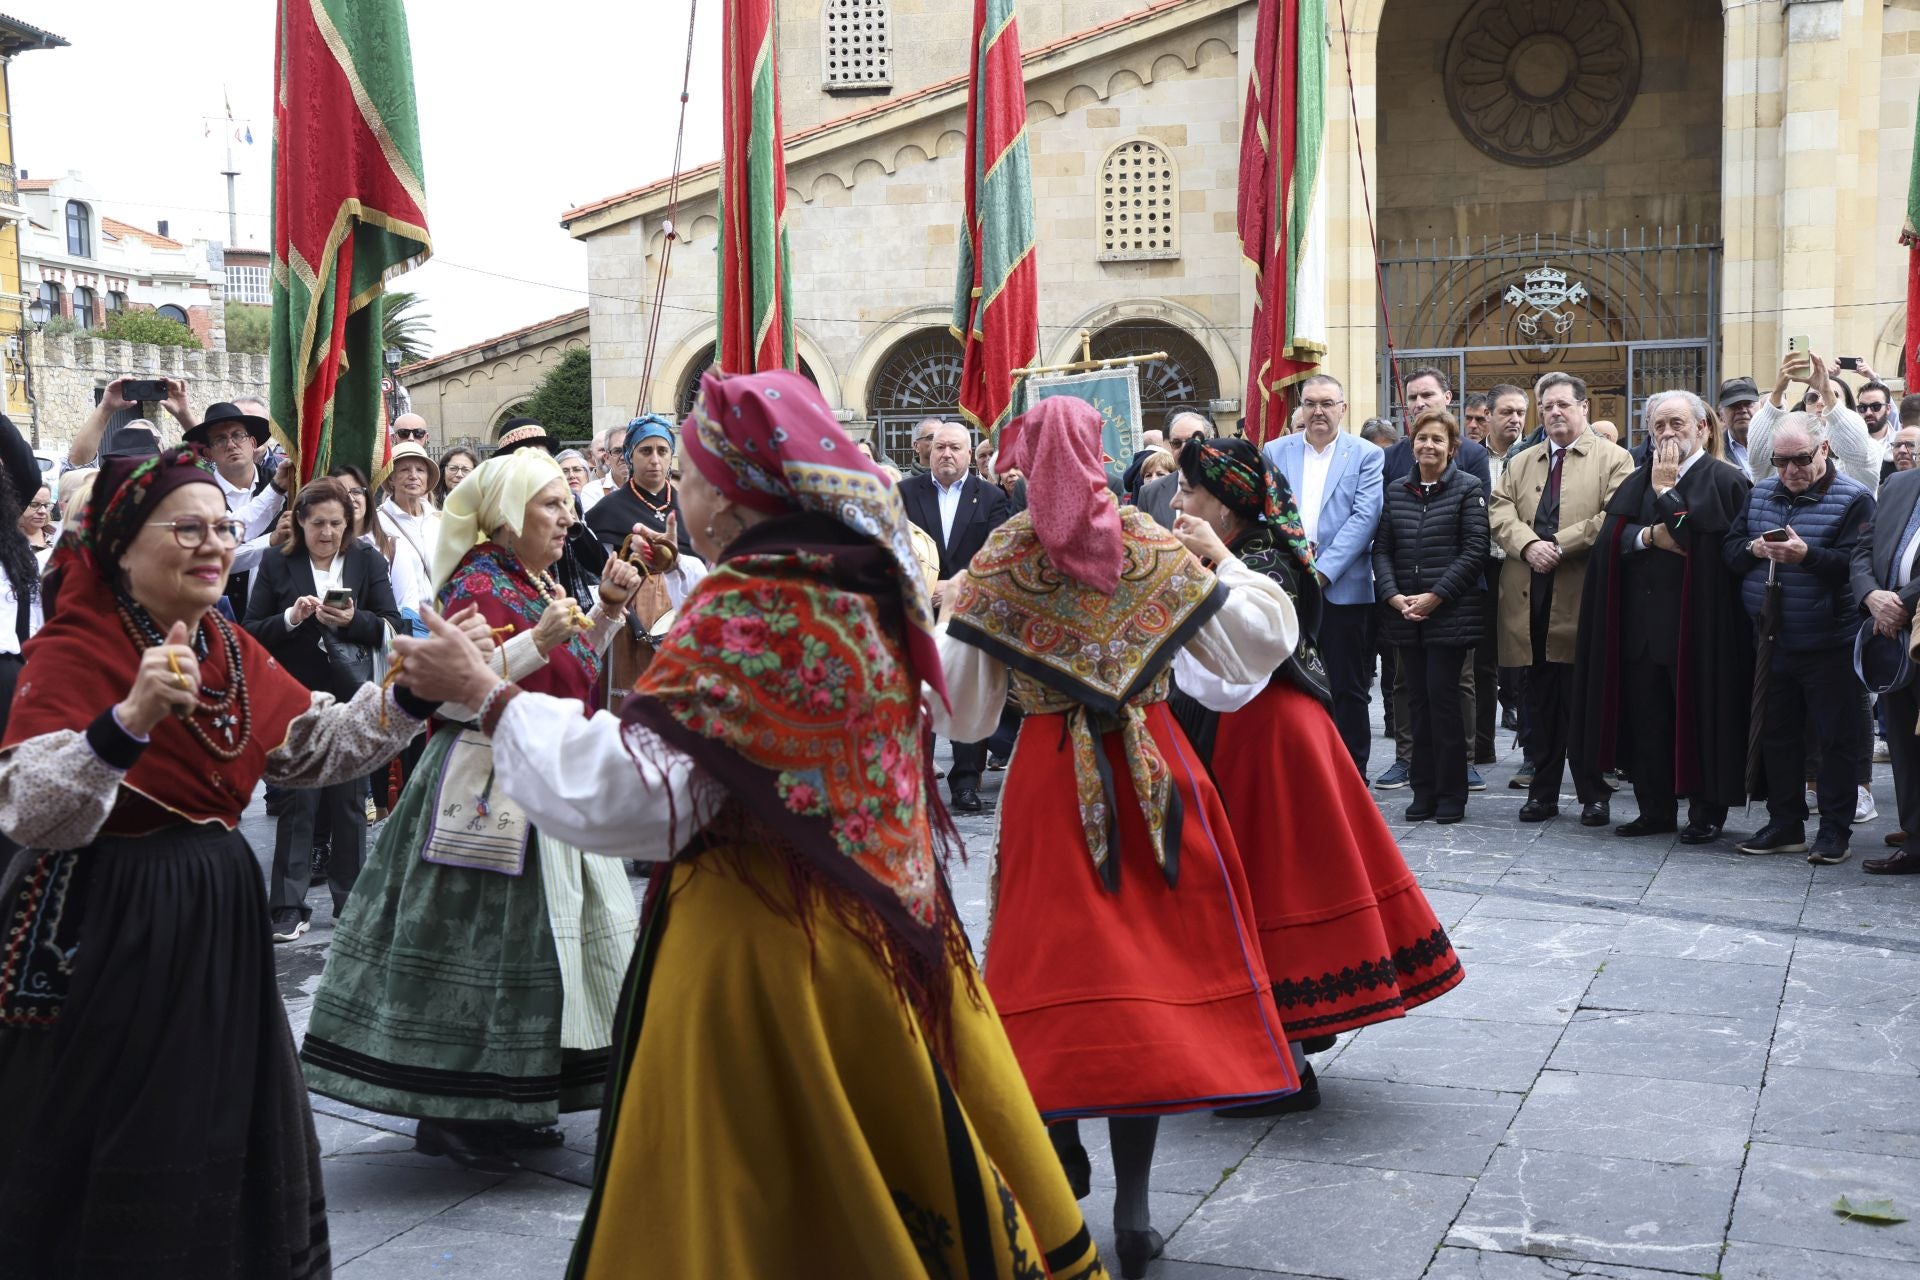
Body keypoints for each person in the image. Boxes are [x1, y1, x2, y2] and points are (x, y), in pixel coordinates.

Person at [381, 369, 1103, 1278]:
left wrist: (485, 694)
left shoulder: (755, 605)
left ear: (733, 489)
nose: (678, 495)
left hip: (769, 953)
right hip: (882, 926)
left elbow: (642, 795)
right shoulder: (861, 584)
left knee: (757, 1209)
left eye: (685, 475)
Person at [0, 447, 450, 1276]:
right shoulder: (78, 645)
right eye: (188, 528)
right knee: (133, 1126)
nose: (213, 544)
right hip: (109, 924)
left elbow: (313, 746)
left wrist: (415, 694)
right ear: (125, 544)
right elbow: (29, 804)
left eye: (220, 528)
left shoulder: (228, 647)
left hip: (213, 917)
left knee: (222, 1117)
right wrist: (124, 722)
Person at [936, 393, 1299, 1277]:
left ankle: (1055, 1150)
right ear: (1099, 454)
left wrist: (939, 617)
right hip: (1157, 773)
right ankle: (1134, 1213)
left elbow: (969, 713)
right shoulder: (1147, 541)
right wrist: (1231, 565)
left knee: (1047, 971)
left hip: (1052, 781)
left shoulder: (1006, 554)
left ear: (1022, 459)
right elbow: (1254, 648)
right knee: (1145, 981)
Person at [302, 448, 644, 1176]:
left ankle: (514, 1096)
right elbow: (451, 692)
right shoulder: (474, 583)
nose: (567, 516)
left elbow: (572, 673)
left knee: (541, 955)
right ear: (505, 515)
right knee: (479, 953)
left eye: (565, 502)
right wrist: (535, 640)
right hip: (479, 793)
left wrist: (608, 611)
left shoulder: (531, 577)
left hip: (539, 772)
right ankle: (453, 1112)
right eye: (550, 504)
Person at [1169, 436, 1462, 1099]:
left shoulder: (1266, 557)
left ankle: (1285, 1064)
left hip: (1270, 741)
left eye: (1191, 492)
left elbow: (1261, 632)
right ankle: (1271, 1048)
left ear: (1227, 503)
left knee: (1277, 889)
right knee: (1247, 890)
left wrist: (1212, 562)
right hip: (1238, 735)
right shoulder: (1226, 551)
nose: (1178, 503)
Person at [1572, 391, 1754, 844]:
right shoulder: (1635, 480)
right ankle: (1655, 808)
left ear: (1703, 428)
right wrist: (1647, 537)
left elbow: (1703, 545)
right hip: (1639, 629)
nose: (1668, 433)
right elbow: (1611, 539)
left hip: (1698, 629)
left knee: (1700, 717)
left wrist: (1667, 493)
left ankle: (1706, 811)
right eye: (1659, 426)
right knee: (1647, 721)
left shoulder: (1725, 481)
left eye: (1677, 423)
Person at [244, 477, 404, 940]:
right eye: (318, 524)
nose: (329, 533)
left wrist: (355, 620)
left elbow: (391, 624)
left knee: (350, 804)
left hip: (353, 695)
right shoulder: (278, 561)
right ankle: (288, 908)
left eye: (337, 523)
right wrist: (292, 617)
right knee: (298, 802)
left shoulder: (366, 559)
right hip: (295, 697)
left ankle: (350, 901)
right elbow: (253, 630)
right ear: (300, 521)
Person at [1726, 413, 1874, 862]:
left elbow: (1856, 565)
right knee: (1778, 734)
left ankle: (1834, 829)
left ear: (1824, 450)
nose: (1790, 471)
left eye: (1801, 459)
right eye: (1780, 461)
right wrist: (1753, 548)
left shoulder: (1855, 499)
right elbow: (1729, 552)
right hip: (1772, 638)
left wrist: (1807, 556)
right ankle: (1785, 822)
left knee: (1834, 739)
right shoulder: (1759, 494)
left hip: (1829, 639)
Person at [1490, 372, 1634, 825]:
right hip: (1529, 590)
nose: (1554, 412)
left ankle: (1594, 793)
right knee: (1538, 700)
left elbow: (1615, 515)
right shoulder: (1523, 460)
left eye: (1563, 405)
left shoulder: (1615, 458)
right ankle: (1542, 792)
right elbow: (1498, 508)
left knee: (1583, 699)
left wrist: (1559, 543)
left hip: (1581, 591)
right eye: (1547, 406)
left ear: (1584, 408)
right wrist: (1529, 545)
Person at [1376, 368, 1493, 792]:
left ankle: (1462, 760)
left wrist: (1437, 594)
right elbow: (1385, 534)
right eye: (1412, 396)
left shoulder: (1474, 460)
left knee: (1456, 683)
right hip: (1404, 596)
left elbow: (1475, 540)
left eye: (1428, 394)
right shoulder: (1392, 458)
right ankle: (1409, 759)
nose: (1420, 402)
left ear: (1447, 397)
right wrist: (1394, 594)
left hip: (1453, 597)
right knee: (1406, 682)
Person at [1264, 373, 1384, 777]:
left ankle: (1352, 774)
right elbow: (1268, 512)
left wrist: (1322, 572)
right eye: (1310, 403)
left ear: (1343, 409)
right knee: (1291, 684)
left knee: (1348, 688)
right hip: (1288, 589)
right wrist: (1295, 568)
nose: (1318, 411)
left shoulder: (1366, 454)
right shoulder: (1275, 451)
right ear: (1300, 408)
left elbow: (1365, 519)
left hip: (1342, 591)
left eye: (1327, 403)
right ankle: (1301, 772)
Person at [899, 419, 1014, 813]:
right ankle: (916, 780)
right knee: (917, 698)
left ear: (969, 454)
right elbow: (890, 548)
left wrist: (956, 587)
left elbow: (998, 555)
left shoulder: (992, 497)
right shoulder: (903, 493)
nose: (946, 453)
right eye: (939, 447)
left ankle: (966, 782)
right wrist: (922, 588)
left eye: (955, 448)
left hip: (969, 612)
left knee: (967, 694)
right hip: (917, 612)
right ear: (927, 452)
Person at [1852, 448, 1920, 868]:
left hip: (1907, 619)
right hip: (1891, 634)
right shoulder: (1898, 483)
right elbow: (1863, 548)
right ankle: (1914, 839)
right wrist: (1871, 595)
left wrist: (1900, 601)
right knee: (1900, 738)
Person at [183, 400, 289, 617]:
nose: (231, 444)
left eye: (237, 435)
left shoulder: (286, 485)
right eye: (220, 439)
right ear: (208, 453)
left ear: (252, 442)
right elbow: (218, 554)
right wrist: (271, 540)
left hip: (280, 617)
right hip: (220, 619)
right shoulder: (197, 495)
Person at [1747, 350, 1876, 493]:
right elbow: (1757, 462)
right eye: (1812, 397)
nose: (1820, 402)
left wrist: (1826, 390)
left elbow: (1856, 450)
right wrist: (1778, 390)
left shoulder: (1867, 451)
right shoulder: (1785, 449)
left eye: (1833, 395)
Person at [377, 442, 443, 627]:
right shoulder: (378, 522)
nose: (413, 476)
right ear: (391, 478)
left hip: (443, 620)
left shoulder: (438, 521)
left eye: (420, 470)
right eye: (404, 470)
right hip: (405, 623)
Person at [65, 376, 198, 467]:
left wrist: (184, 414)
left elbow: (213, 460)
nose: (139, 440)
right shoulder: (106, 492)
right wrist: (105, 408)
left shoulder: (177, 490)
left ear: (164, 451)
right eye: (129, 435)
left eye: (151, 438)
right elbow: (78, 466)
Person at [1137, 410, 1211, 528]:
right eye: (1176, 443)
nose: (1183, 448)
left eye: (1192, 442)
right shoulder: (1149, 493)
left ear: (1209, 442)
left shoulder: (1225, 489)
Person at [18, 483, 53, 567]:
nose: (43, 511)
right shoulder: (6, 540)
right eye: (34, 505)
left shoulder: (55, 534)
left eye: (46, 505)